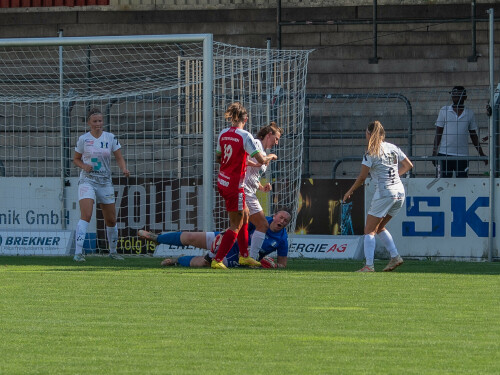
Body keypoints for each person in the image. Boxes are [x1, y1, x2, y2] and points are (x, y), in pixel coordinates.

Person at [212, 102, 277, 270]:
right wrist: (270, 157)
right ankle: (217, 259)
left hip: (222, 181)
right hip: (235, 186)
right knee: (236, 224)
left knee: (246, 216)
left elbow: (219, 158)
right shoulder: (245, 136)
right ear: (245, 119)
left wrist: (246, 163)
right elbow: (262, 160)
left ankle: (244, 256)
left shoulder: (223, 134)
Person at [343, 120, 413, 272]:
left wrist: (350, 191)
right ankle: (395, 256)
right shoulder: (393, 148)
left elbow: (362, 178)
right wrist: (395, 177)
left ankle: (369, 266)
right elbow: (408, 166)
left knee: (369, 230)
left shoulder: (371, 152)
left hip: (384, 193)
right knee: (380, 226)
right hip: (399, 191)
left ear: (369, 134)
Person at [137, 209, 291, 268]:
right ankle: (158, 238)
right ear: (275, 215)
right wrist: (226, 234)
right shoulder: (261, 221)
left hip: (237, 257)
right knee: (191, 236)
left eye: (285, 221)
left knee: (205, 262)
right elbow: (239, 226)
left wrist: (276, 266)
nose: (282, 221)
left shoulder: (282, 239)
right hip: (229, 239)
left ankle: (178, 260)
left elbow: (283, 264)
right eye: (281, 217)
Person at [72, 108, 130, 262]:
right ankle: (78, 253)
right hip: (87, 180)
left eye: (100, 121)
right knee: (87, 215)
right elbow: (76, 159)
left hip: (105, 182)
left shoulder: (110, 138)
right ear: (89, 123)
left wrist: (124, 168)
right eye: (95, 121)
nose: (98, 124)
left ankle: (113, 251)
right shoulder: (84, 139)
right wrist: (84, 166)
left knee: (111, 220)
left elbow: (119, 157)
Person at [245, 122, 282, 260]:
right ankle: (252, 258)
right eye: (276, 139)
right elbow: (244, 162)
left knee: (239, 226)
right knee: (263, 224)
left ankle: (216, 255)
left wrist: (261, 187)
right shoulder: (255, 143)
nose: (276, 143)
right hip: (244, 191)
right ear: (269, 135)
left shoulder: (262, 150)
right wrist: (270, 156)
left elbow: (252, 173)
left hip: (249, 191)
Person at [432, 86, 487, 178]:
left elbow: (473, 135)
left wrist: (481, 153)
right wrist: (434, 152)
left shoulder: (469, 113)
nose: (456, 98)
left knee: (462, 185)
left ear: (465, 97)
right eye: (454, 95)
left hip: (462, 156)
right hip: (444, 155)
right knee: (442, 184)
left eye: (459, 95)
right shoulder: (444, 111)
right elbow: (438, 133)